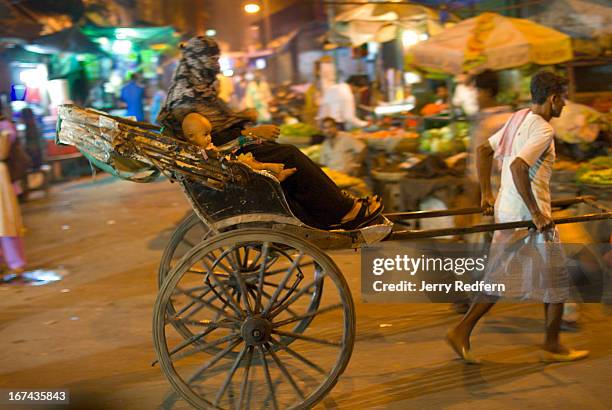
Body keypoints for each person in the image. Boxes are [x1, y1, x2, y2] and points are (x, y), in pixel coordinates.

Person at [157, 36, 382, 230]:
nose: (215, 65)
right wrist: (251, 132)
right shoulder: (186, 94)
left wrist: (243, 119)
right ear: (196, 60)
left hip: (231, 149)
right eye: (211, 59)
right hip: (224, 158)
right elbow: (210, 134)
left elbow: (221, 124)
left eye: (217, 59)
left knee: (287, 156)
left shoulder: (200, 87)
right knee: (289, 155)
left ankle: (331, 210)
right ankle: (343, 212)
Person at [446, 71, 589, 363]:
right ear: (553, 98)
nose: (564, 104)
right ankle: (465, 331)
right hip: (528, 216)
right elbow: (518, 168)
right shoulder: (543, 130)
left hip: (508, 210)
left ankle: (550, 343)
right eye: (562, 98)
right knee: (553, 280)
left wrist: (487, 193)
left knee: (535, 279)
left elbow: (484, 150)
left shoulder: (518, 117)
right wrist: (536, 213)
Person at [0, 104, 27, 281]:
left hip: (1, 179)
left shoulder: (4, 127)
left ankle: (15, 263)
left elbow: (2, 151)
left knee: (5, 221)